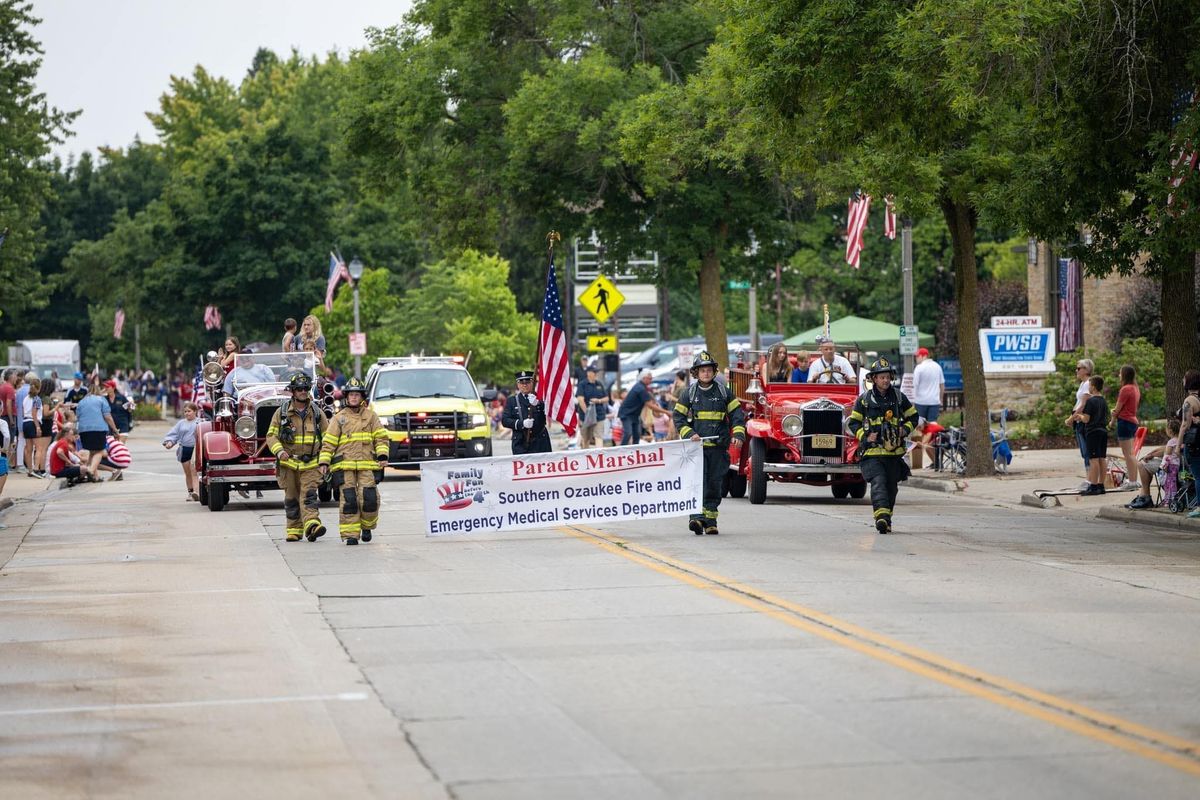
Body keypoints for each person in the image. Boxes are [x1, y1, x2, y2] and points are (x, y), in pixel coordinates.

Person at [672, 351, 746, 535]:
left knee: (715, 484)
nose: (706, 373)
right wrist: (689, 433)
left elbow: (737, 416)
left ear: (714, 372)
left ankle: (711, 520)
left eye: (709, 370)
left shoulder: (723, 392)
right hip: (696, 449)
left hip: (718, 449)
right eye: (702, 370)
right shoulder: (689, 393)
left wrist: (738, 434)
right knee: (697, 483)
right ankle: (696, 518)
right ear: (696, 373)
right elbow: (678, 417)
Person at [848, 358, 918, 534]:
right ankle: (880, 518)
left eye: (887, 377)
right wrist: (865, 435)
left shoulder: (899, 398)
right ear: (873, 379)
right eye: (881, 377)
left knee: (891, 487)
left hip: (894, 453)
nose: (885, 380)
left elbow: (914, 417)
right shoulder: (863, 400)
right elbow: (853, 423)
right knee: (878, 482)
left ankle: (886, 519)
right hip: (872, 452)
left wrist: (904, 430)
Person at [267, 373, 330, 542]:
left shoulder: (317, 413)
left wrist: (324, 460)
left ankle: (312, 524)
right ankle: (294, 529)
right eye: (299, 389)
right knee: (291, 498)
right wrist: (280, 452)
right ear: (293, 392)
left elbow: (328, 439)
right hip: (289, 464)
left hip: (311, 464)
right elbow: (271, 436)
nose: (303, 391)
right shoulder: (281, 414)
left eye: (305, 388)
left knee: (309, 495)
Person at [1127, 417, 1180, 510]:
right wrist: (1152, 453)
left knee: (1141, 464)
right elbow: (1165, 448)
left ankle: (1145, 497)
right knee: (1143, 462)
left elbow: (1167, 452)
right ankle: (1143, 495)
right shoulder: (1179, 438)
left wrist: (1153, 457)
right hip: (1176, 464)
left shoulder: (1173, 441)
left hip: (1171, 466)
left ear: (1170, 430)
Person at [1073, 375, 1110, 496]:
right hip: (1103, 431)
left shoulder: (1090, 401)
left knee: (1093, 459)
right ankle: (1101, 485)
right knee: (1101, 458)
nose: (1088, 387)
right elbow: (1107, 417)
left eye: (1089, 385)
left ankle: (1093, 486)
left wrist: (1080, 417)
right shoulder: (1103, 401)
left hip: (1092, 431)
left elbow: (1087, 419)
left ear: (1093, 387)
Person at [501, 370, 552, 454]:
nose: (524, 385)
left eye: (527, 382)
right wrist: (521, 424)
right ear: (518, 384)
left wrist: (538, 403)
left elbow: (551, 411)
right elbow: (505, 421)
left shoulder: (541, 397)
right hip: (521, 443)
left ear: (532, 383)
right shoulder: (512, 401)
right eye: (521, 383)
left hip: (540, 442)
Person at [75, 387, 119, 480]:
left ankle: (94, 476)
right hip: (98, 429)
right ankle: (90, 470)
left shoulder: (81, 402)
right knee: (99, 451)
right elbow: (107, 416)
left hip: (83, 430)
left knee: (91, 451)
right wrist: (114, 429)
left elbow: (78, 417)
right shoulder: (101, 400)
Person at [619, 371, 670, 445]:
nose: (651, 380)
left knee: (637, 435)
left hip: (634, 414)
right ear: (644, 378)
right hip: (627, 414)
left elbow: (650, 402)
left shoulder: (642, 387)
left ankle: (635, 450)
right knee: (628, 433)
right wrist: (666, 412)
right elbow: (650, 405)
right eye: (649, 378)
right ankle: (621, 451)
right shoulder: (640, 388)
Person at [163, 402, 201, 501]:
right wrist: (170, 442)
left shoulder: (200, 422)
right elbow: (174, 434)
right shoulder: (181, 423)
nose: (187, 413)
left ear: (195, 412)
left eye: (189, 411)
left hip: (195, 449)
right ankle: (190, 492)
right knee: (188, 472)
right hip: (184, 449)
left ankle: (196, 492)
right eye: (185, 411)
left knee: (194, 471)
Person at [1175, 369, 1200, 517]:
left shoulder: (1189, 400)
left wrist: (1178, 445)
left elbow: (1185, 424)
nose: (1182, 380)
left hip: (1194, 443)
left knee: (1198, 475)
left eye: (1184, 378)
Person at [1066, 358, 1094, 486]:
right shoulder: (1083, 384)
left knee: (1087, 450)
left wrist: (1071, 418)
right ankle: (1088, 478)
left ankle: (1090, 479)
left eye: (1079, 368)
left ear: (1086, 370)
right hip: (1078, 419)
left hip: (1082, 420)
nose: (1076, 370)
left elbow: (1084, 403)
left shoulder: (1088, 383)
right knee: (1084, 451)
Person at [1113, 364, 1141, 489]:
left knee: (1128, 454)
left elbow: (1117, 409)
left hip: (1124, 422)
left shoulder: (1125, 389)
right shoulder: (1135, 388)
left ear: (1124, 375)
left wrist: (1112, 416)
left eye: (1120, 373)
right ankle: (1134, 480)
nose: (1119, 375)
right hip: (1132, 421)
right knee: (1131, 454)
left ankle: (1132, 481)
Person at [575, 365, 609, 449]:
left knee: (599, 436)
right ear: (589, 373)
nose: (596, 374)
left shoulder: (599, 384)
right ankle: (585, 455)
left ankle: (599, 455)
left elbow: (607, 398)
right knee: (586, 439)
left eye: (596, 372)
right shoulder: (582, 384)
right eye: (594, 372)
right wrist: (587, 413)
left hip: (599, 415)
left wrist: (598, 400)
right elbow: (580, 400)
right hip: (586, 416)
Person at [911, 347, 946, 423]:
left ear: (924, 356)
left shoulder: (919, 368)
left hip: (920, 402)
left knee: (920, 425)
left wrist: (913, 402)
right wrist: (941, 399)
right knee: (932, 424)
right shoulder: (937, 366)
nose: (916, 358)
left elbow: (915, 385)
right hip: (934, 401)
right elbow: (942, 385)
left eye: (918, 356)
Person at [21, 374, 43, 477]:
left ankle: (30, 470)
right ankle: (36, 469)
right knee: (38, 447)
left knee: (28, 449)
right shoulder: (37, 399)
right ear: (39, 388)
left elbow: (23, 412)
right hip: (33, 422)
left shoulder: (26, 399)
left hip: (25, 422)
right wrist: (37, 426)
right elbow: (34, 413)